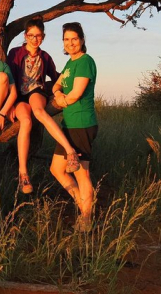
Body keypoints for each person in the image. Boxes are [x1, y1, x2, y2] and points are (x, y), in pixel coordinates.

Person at [7, 18, 79, 194]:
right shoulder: (15, 53)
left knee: (38, 111)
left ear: (43, 37)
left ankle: (70, 151)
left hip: (36, 92)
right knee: (25, 122)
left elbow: (56, 76)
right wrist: (8, 105)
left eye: (38, 35)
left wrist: (72, 86)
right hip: (18, 96)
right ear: (25, 36)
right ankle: (23, 173)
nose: (34, 39)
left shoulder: (45, 56)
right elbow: (9, 79)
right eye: (31, 35)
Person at [50, 22, 97, 232]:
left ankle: (86, 219)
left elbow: (76, 94)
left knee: (82, 173)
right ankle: (84, 204)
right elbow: (56, 85)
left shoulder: (85, 62)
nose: (70, 43)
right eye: (66, 40)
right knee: (56, 169)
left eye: (74, 39)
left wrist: (60, 100)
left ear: (82, 40)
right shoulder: (70, 63)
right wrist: (59, 94)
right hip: (69, 124)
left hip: (82, 123)